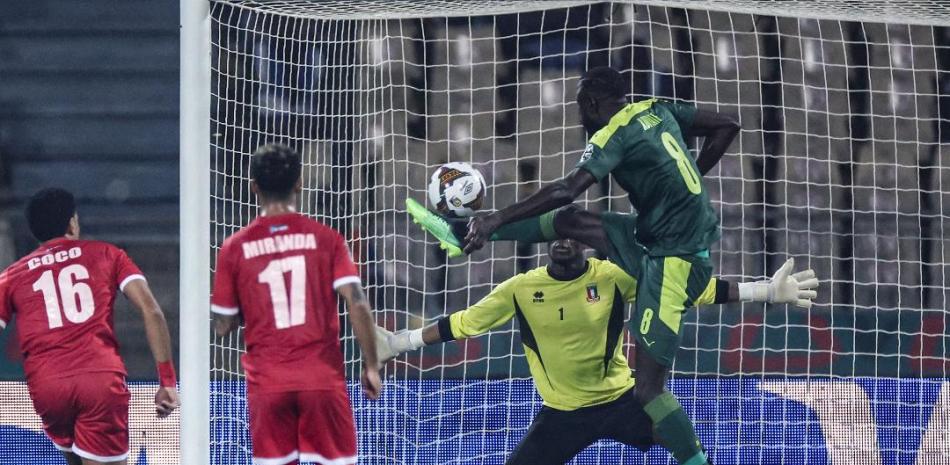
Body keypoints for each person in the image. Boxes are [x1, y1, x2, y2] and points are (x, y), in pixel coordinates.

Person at [407, 65, 754, 464]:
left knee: (649, 391)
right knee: (571, 220)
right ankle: (463, 235)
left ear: (589, 103)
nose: (578, 117)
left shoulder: (612, 136)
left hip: (672, 260)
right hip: (657, 236)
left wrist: (498, 216)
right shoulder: (657, 109)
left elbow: (565, 187)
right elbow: (728, 124)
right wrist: (687, 176)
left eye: (579, 108)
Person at [376, 239, 817, 464]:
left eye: (573, 232)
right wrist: (399, 343)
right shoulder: (521, 288)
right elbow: (462, 324)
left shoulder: (612, 276)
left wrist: (763, 290)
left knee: (682, 441)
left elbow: (682, 290)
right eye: (558, 232)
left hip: (621, 399)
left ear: (585, 241)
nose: (564, 241)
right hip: (561, 413)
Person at [211, 143, 381, 465]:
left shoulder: (234, 247)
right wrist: (371, 364)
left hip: (268, 385)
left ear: (254, 187)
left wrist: (244, 305)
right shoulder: (327, 238)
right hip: (322, 380)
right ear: (300, 183)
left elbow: (223, 326)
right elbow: (357, 301)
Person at [0, 188, 179, 465]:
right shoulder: (108, 254)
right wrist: (167, 381)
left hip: (47, 386)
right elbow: (151, 310)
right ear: (72, 222)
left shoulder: (12, 275)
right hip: (98, 379)